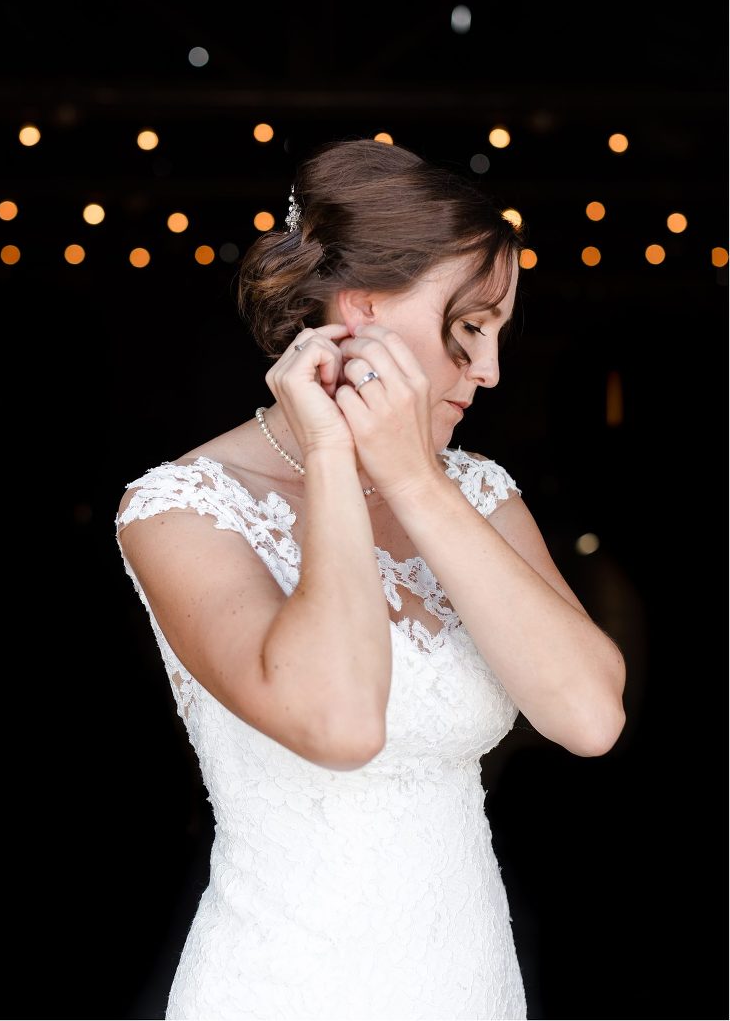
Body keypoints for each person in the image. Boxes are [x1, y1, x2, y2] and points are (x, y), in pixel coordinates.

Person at [115, 138, 626, 1021]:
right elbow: (342, 723)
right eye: (470, 327)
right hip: (283, 989)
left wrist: (415, 480)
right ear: (364, 310)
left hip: (469, 983)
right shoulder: (180, 508)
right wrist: (329, 451)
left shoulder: (474, 489)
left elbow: (589, 717)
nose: (491, 370)